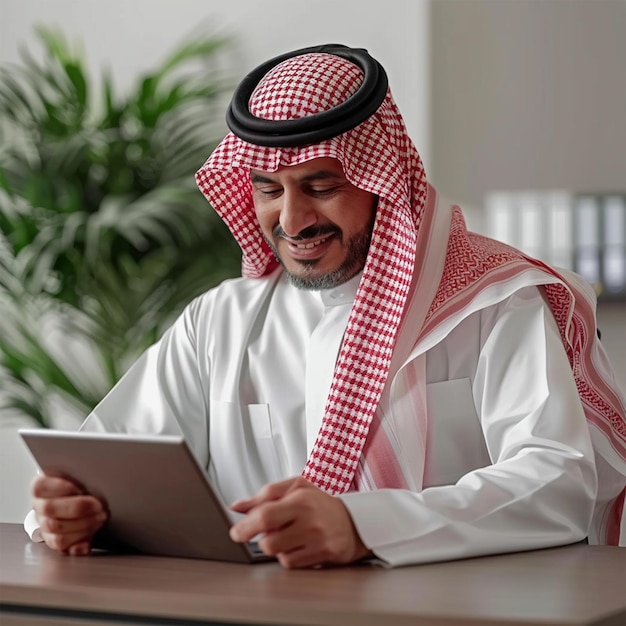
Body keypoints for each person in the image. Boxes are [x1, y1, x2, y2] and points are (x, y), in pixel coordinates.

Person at [26, 44, 626, 568]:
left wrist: (365, 525)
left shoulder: (495, 302)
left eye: (321, 187)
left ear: (381, 181)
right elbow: (108, 462)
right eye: (267, 190)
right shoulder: (220, 322)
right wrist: (68, 512)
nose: (291, 221)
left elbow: (557, 484)